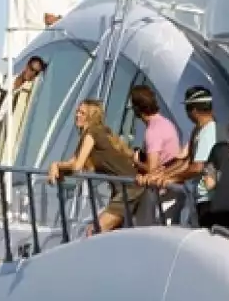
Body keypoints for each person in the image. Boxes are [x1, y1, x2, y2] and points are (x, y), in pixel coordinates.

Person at [47, 99, 143, 235]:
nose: (77, 115)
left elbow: (77, 166)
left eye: (82, 113)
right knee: (110, 233)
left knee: (94, 230)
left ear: (91, 117)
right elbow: (76, 162)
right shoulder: (100, 131)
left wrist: (55, 165)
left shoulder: (92, 133)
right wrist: (58, 167)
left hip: (130, 189)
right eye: (77, 112)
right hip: (124, 188)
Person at [138, 87, 219, 225]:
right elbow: (186, 162)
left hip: (207, 200)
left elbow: (197, 167)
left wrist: (171, 178)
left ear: (193, 110)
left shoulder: (208, 132)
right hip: (196, 198)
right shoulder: (199, 130)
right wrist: (162, 174)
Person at [128, 85, 181, 175]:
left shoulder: (153, 131)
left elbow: (152, 169)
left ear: (137, 108)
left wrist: (136, 162)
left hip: (163, 184)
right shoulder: (166, 122)